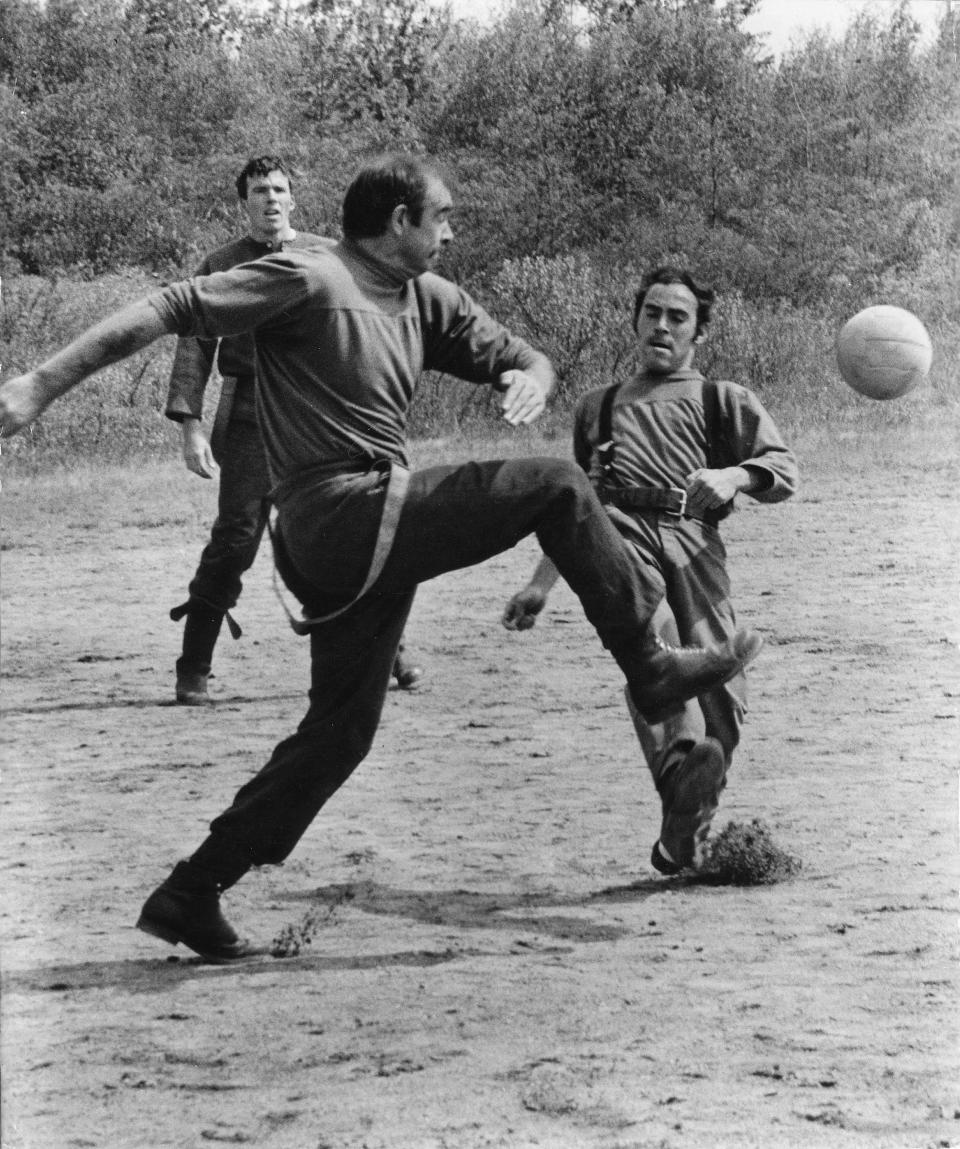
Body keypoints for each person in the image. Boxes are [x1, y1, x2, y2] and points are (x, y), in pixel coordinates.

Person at [0, 157, 764, 961]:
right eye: (441, 216)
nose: (451, 231)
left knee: (340, 733)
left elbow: (527, 356)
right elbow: (171, 307)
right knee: (559, 485)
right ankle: (649, 667)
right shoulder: (311, 274)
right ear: (399, 220)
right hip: (339, 513)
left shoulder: (427, 297)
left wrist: (530, 379)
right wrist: (40, 384)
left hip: (367, 532)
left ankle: (193, 889)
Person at [503, 266, 797, 875]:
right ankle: (677, 771)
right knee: (655, 650)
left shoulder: (724, 399)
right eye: (652, 313)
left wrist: (732, 475)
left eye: (677, 317)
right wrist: (540, 583)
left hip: (694, 542)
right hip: (622, 540)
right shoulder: (598, 407)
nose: (661, 326)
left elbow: (782, 470)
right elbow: (577, 503)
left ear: (699, 332)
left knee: (722, 696)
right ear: (636, 320)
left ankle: (682, 833)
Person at [165, 155, 424, 704]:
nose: (271, 199)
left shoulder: (328, 255)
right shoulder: (222, 263)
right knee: (236, 540)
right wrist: (190, 424)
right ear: (245, 201)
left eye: (280, 189)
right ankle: (194, 666)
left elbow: (368, 323)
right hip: (251, 415)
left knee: (347, 528)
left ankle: (389, 653)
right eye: (260, 190)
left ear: (293, 198)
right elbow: (194, 342)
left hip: (320, 411)